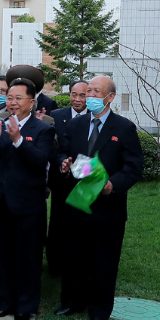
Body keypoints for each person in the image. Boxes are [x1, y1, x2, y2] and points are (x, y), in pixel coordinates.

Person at [56, 76, 143, 320]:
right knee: (74, 258)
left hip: (108, 210)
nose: (89, 96)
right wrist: (64, 162)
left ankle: (99, 311)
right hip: (78, 202)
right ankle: (72, 301)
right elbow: (64, 151)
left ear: (110, 97)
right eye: (88, 91)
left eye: (95, 92)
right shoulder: (76, 125)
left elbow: (134, 166)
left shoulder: (124, 128)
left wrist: (112, 185)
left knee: (103, 262)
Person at [0, 78, 55, 320]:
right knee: (1, 255)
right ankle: (4, 303)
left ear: (32, 102)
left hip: (28, 205)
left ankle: (24, 306)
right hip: (0, 202)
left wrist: (18, 140)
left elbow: (40, 161)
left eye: (17, 98)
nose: (11, 102)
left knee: (27, 257)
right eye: (9, 98)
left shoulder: (42, 129)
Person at [46, 80, 88, 276]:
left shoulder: (93, 118)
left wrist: (79, 168)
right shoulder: (56, 115)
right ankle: (54, 265)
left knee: (79, 224)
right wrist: (62, 163)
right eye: (73, 94)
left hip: (85, 181)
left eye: (82, 95)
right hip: (61, 180)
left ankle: (77, 264)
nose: (77, 99)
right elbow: (52, 148)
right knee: (57, 223)